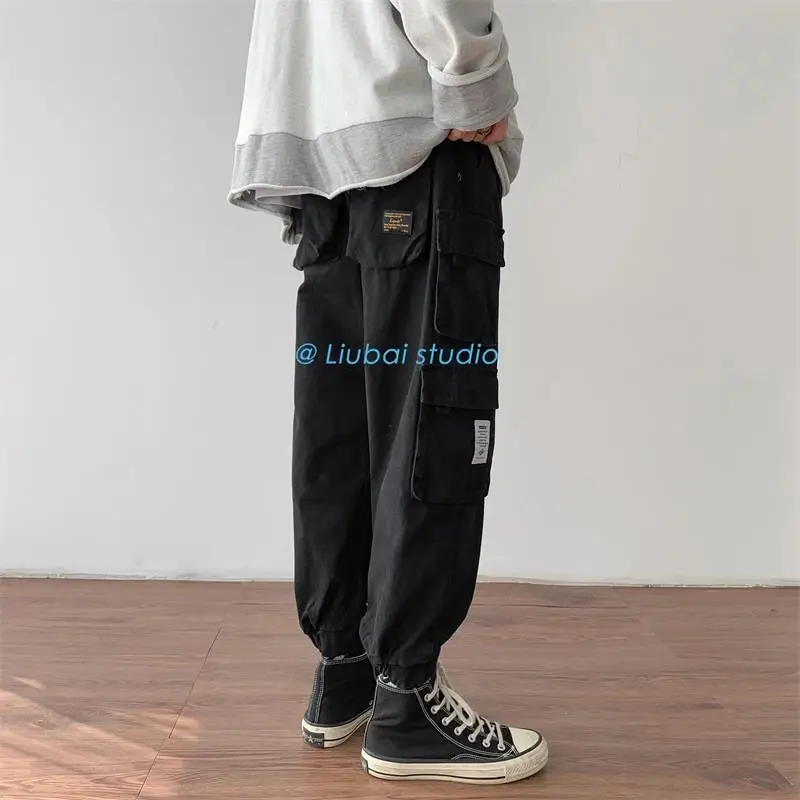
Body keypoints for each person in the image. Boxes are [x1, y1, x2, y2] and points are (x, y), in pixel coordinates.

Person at [228, 0, 548, 785]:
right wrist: (479, 85)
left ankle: (346, 668)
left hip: (322, 165)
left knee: (340, 430)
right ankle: (405, 701)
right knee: (433, 425)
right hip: (417, 150)